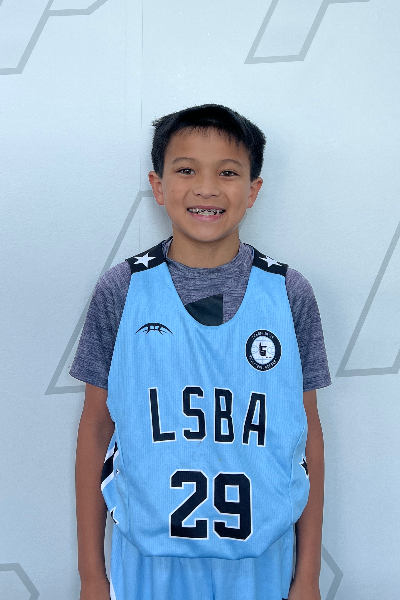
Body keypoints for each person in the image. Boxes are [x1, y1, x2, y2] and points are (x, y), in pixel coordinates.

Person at [71, 104, 331, 600]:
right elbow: (96, 428)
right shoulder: (122, 290)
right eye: (186, 170)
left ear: (253, 190)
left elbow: (307, 435)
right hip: (149, 562)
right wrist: (91, 577)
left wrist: (309, 577)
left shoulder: (287, 293)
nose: (207, 188)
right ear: (158, 185)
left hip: (261, 561)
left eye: (227, 173)